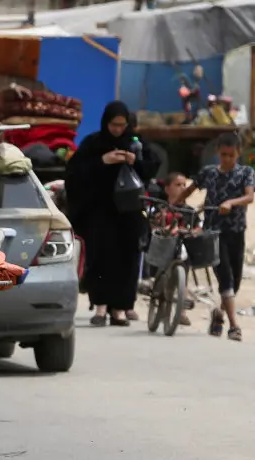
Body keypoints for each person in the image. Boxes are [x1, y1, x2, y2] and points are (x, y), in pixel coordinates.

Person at [66, 102, 158, 327]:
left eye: (122, 125)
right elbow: (74, 173)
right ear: (106, 122)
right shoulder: (94, 143)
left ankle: (119, 309)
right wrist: (103, 161)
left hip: (128, 213)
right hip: (100, 212)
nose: (118, 129)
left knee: (126, 259)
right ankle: (100, 307)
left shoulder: (135, 144)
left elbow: (153, 166)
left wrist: (134, 161)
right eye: (114, 125)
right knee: (101, 257)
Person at [170, 132, 254, 341]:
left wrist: (231, 203)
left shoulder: (246, 172)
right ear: (217, 152)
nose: (226, 159)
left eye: (231, 156)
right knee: (224, 274)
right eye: (223, 155)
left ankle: (219, 313)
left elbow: (249, 196)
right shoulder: (208, 173)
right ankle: (234, 326)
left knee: (234, 280)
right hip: (213, 233)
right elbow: (189, 190)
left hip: (236, 231)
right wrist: (175, 206)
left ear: (238, 153)